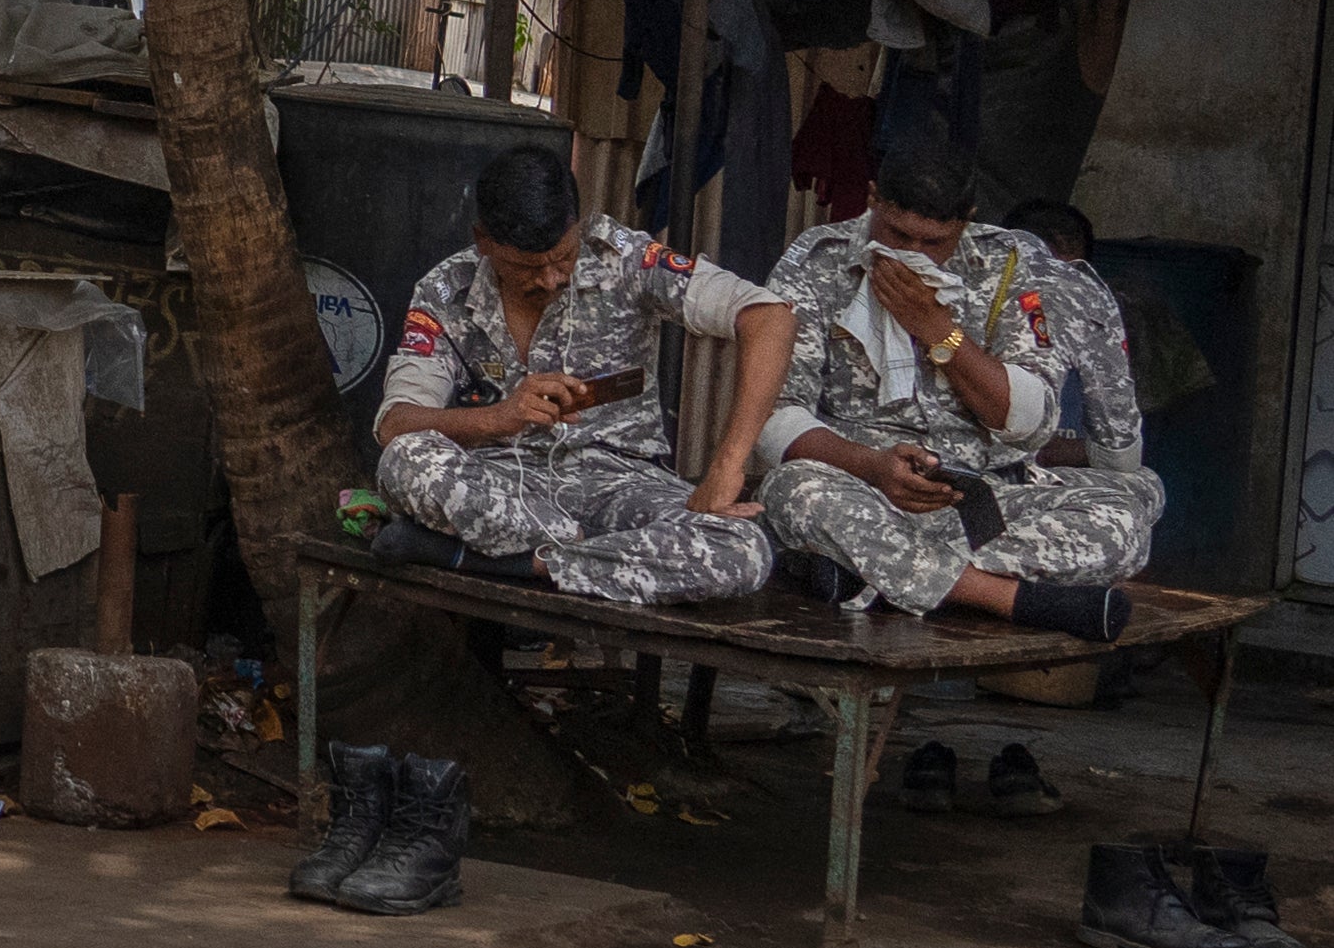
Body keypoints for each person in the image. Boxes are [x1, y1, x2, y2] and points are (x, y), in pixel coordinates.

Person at [759, 138, 1163, 641]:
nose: (912, 255)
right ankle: (1004, 598)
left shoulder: (1013, 266)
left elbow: (1027, 423)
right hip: (860, 484)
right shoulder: (816, 261)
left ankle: (870, 576)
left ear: (967, 220)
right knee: (793, 491)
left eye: (934, 243)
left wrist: (936, 329)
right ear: (873, 198)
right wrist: (872, 467)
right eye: (898, 234)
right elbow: (776, 415)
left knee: (1122, 519)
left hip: (982, 494)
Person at [361, 144, 794, 604]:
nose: (549, 279)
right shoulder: (446, 289)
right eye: (527, 266)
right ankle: (597, 557)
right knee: (404, 461)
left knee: (743, 550)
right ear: (483, 241)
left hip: (622, 483)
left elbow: (770, 316)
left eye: (562, 257)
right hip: (502, 489)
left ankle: (511, 562)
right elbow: (396, 424)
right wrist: (496, 419)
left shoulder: (625, 258)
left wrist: (729, 463)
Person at [998, 199, 1144, 475]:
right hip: (980, 482)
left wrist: (1074, 450)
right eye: (1045, 276)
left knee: (1142, 486)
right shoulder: (963, 310)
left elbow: (1123, 454)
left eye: (1072, 277)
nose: (1061, 293)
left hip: (1064, 487)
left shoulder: (1095, 322)